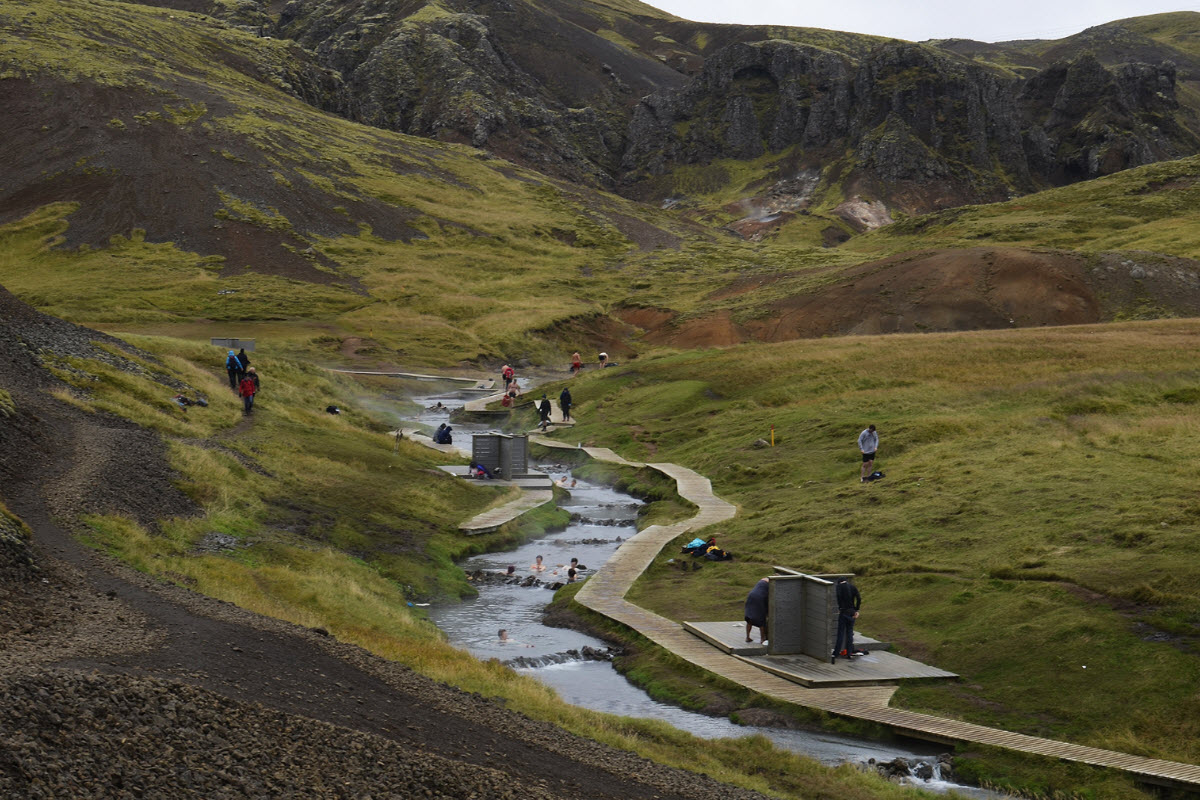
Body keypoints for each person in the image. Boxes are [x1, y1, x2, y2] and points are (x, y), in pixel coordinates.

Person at [833, 577, 866, 662]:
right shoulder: (852, 587)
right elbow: (858, 598)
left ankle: (836, 653)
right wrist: (856, 610)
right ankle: (849, 653)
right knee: (849, 633)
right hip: (852, 613)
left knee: (840, 633)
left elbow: (839, 597)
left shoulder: (839, 587)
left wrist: (840, 607)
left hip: (843, 612)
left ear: (839, 582)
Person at [744, 578, 769, 644]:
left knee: (749, 618)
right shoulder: (771, 583)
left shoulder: (762, 580)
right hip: (759, 598)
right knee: (761, 618)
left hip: (751, 596)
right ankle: (762, 639)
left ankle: (747, 637)